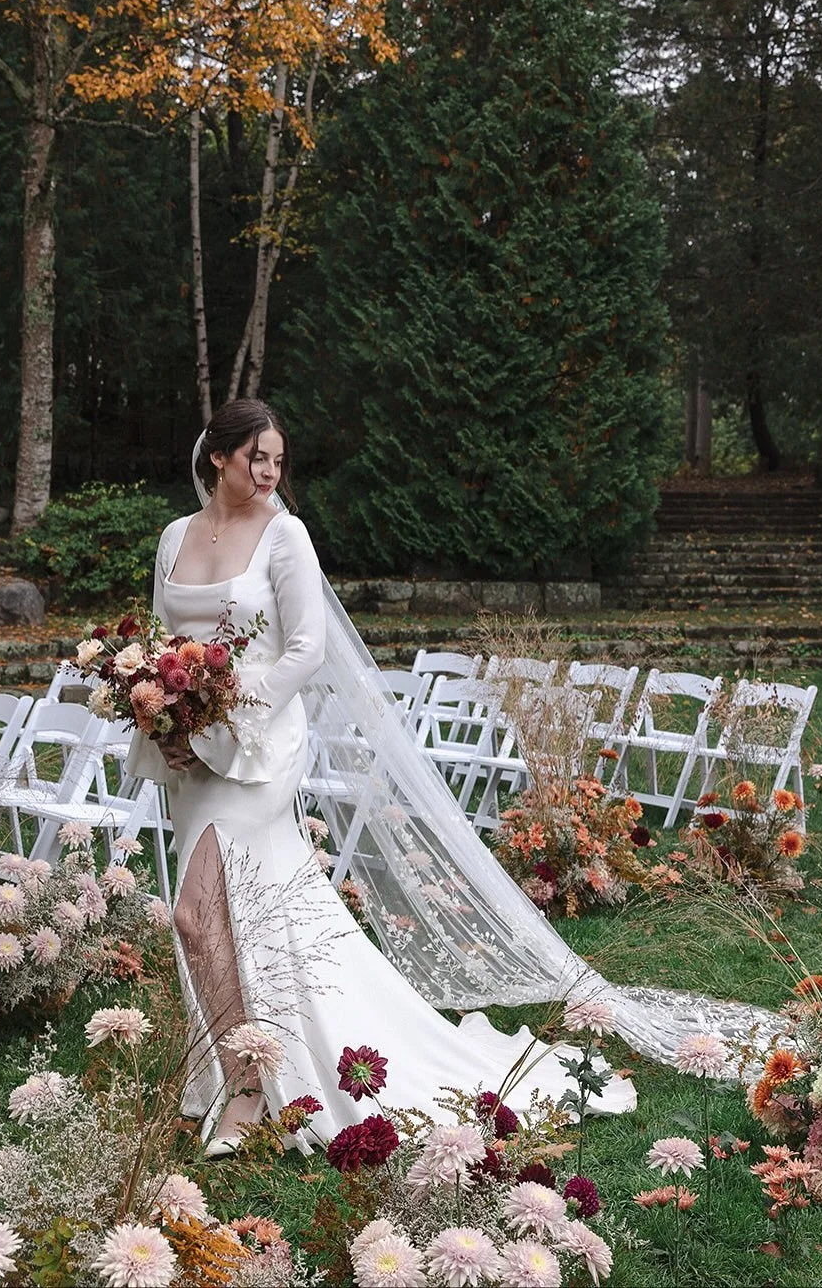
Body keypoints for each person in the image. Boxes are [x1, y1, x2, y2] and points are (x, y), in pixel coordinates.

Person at [127, 399, 637, 1152]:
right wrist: (162, 713)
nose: (269, 473)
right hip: (191, 754)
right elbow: (164, 637)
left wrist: (221, 707)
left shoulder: (284, 535)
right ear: (216, 459)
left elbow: (302, 649)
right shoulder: (174, 536)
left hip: (259, 746)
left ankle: (244, 1092)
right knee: (250, 915)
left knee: (194, 916)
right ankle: (259, 1060)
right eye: (254, 459)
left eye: (277, 460)